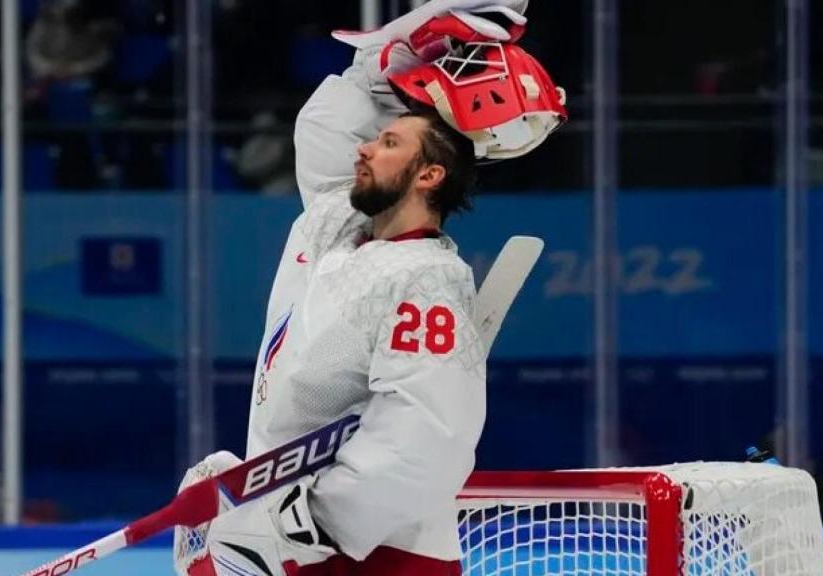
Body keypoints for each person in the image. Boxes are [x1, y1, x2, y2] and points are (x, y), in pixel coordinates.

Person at [174, 2, 567, 574]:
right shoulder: (334, 228)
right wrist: (382, 64)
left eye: (388, 145)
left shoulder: (428, 280)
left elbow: (428, 434)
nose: (365, 148)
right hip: (288, 536)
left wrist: (313, 523)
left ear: (428, 175)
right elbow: (326, 132)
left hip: (374, 552)